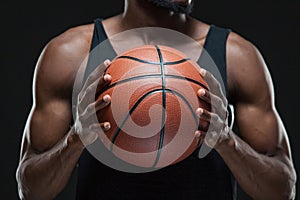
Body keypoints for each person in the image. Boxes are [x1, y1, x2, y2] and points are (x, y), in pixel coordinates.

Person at [16, 0, 297, 199]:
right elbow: (30, 189)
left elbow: (283, 189)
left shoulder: (237, 57)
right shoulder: (70, 55)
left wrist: (227, 141)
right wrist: (76, 138)